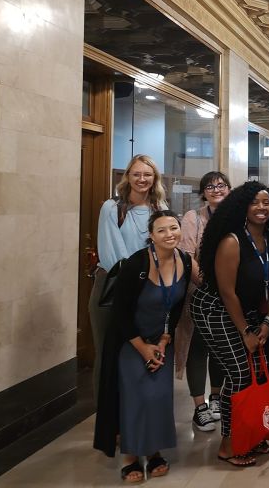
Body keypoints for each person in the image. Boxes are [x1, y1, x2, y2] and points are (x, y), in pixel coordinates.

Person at [190, 182, 269, 467]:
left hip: (243, 309)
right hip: (214, 308)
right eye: (255, 202)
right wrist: (246, 331)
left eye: (266, 202)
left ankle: (253, 434)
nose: (261, 207)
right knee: (239, 373)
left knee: (255, 368)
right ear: (243, 207)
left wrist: (267, 322)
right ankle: (229, 442)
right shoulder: (232, 240)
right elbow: (227, 292)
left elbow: (266, 285)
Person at [93, 210, 191, 483]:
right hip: (130, 340)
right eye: (162, 230)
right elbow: (121, 314)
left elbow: (178, 307)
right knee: (135, 398)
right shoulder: (136, 264)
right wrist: (143, 347)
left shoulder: (184, 259)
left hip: (162, 341)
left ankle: (155, 451)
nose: (169, 234)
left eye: (174, 228)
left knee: (159, 397)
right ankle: (131, 457)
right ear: (151, 235)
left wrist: (163, 340)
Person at [91, 154, 168, 400]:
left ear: (154, 178)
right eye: (136, 174)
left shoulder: (160, 209)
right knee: (108, 353)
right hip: (114, 287)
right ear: (128, 177)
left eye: (147, 174)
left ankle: (133, 416)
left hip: (149, 289)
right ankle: (107, 419)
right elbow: (114, 254)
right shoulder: (112, 208)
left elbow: (165, 249)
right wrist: (141, 279)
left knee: (138, 353)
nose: (141, 179)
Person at [176, 171, 230, 433]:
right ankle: (200, 406)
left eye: (221, 185)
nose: (216, 189)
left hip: (228, 292)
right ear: (203, 192)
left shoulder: (235, 216)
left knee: (220, 344)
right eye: (210, 186)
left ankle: (217, 397)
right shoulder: (193, 218)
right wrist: (207, 285)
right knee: (198, 347)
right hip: (199, 292)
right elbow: (186, 256)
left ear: (229, 189)